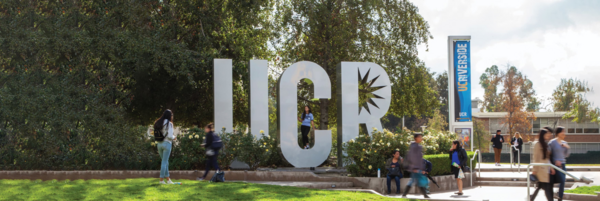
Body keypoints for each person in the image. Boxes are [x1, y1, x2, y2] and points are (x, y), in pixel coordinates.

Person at [530, 128, 556, 201]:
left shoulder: (545, 143)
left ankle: (531, 199)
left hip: (546, 168)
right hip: (541, 170)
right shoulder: (537, 144)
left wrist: (551, 168)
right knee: (547, 188)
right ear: (542, 135)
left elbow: (547, 158)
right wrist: (534, 170)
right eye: (546, 134)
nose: (548, 135)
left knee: (540, 187)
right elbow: (535, 157)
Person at [401, 133, 429, 199]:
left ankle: (404, 194)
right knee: (416, 181)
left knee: (414, 181)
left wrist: (422, 168)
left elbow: (420, 159)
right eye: (420, 137)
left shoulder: (418, 146)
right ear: (416, 138)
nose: (421, 138)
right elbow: (412, 157)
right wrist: (414, 168)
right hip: (415, 168)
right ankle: (425, 195)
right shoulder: (414, 147)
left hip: (417, 168)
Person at [154, 109, 177, 184]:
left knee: (165, 162)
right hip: (167, 144)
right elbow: (170, 136)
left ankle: (168, 179)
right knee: (164, 162)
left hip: (159, 144)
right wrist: (174, 137)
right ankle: (161, 180)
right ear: (170, 116)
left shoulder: (159, 122)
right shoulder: (169, 124)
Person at [549, 126, 570, 201]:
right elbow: (549, 154)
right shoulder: (552, 142)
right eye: (562, 131)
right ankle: (554, 195)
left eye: (564, 132)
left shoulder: (565, 143)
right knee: (561, 180)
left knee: (563, 181)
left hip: (563, 164)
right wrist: (554, 162)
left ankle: (560, 197)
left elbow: (567, 155)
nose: (564, 133)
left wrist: (567, 147)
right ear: (558, 133)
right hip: (555, 165)